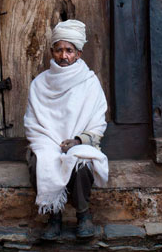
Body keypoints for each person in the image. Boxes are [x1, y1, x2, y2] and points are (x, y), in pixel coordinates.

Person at [24, 19, 108, 240]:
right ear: (52, 52)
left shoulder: (90, 83)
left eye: (69, 50)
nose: (63, 56)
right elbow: (32, 123)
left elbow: (98, 122)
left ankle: (83, 215)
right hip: (48, 141)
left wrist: (79, 141)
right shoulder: (40, 84)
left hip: (78, 142)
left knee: (80, 162)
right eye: (59, 50)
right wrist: (49, 143)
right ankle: (54, 216)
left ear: (78, 54)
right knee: (40, 161)